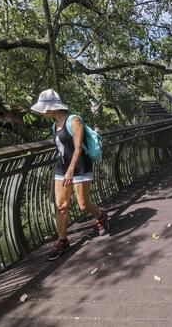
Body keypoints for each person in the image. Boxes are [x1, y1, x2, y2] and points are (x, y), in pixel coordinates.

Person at [31, 89, 110, 261]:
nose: (42, 112)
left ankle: (101, 216)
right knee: (60, 205)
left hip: (80, 167)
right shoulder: (54, 125)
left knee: (83, 204)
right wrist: (65, 170)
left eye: (44, 108)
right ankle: (62, 241)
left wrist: (71, 170)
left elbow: (78, 148)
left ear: (52, 107)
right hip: (61, 169)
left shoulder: (74, 120)